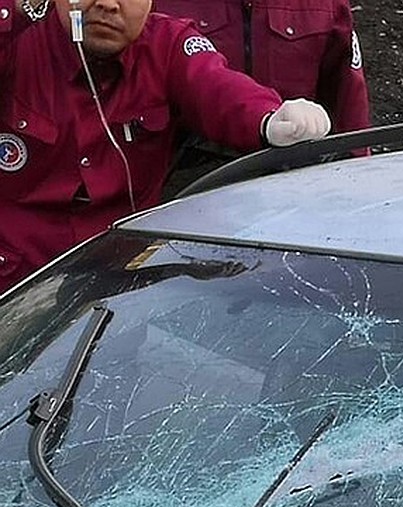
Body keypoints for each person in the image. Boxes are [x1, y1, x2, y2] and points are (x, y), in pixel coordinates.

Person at [0, 0, 331, 294]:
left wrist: (271, 118)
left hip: (111, 281)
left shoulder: (168, 44)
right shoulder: (18, 38)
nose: (107, 4)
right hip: (13, 274)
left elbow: (216, 87)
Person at [153, 0, 370, 135]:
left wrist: (356, 176)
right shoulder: (157, 7)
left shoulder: (325, 5)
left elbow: (347, 101)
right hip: (188, 173)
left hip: (290, 159)